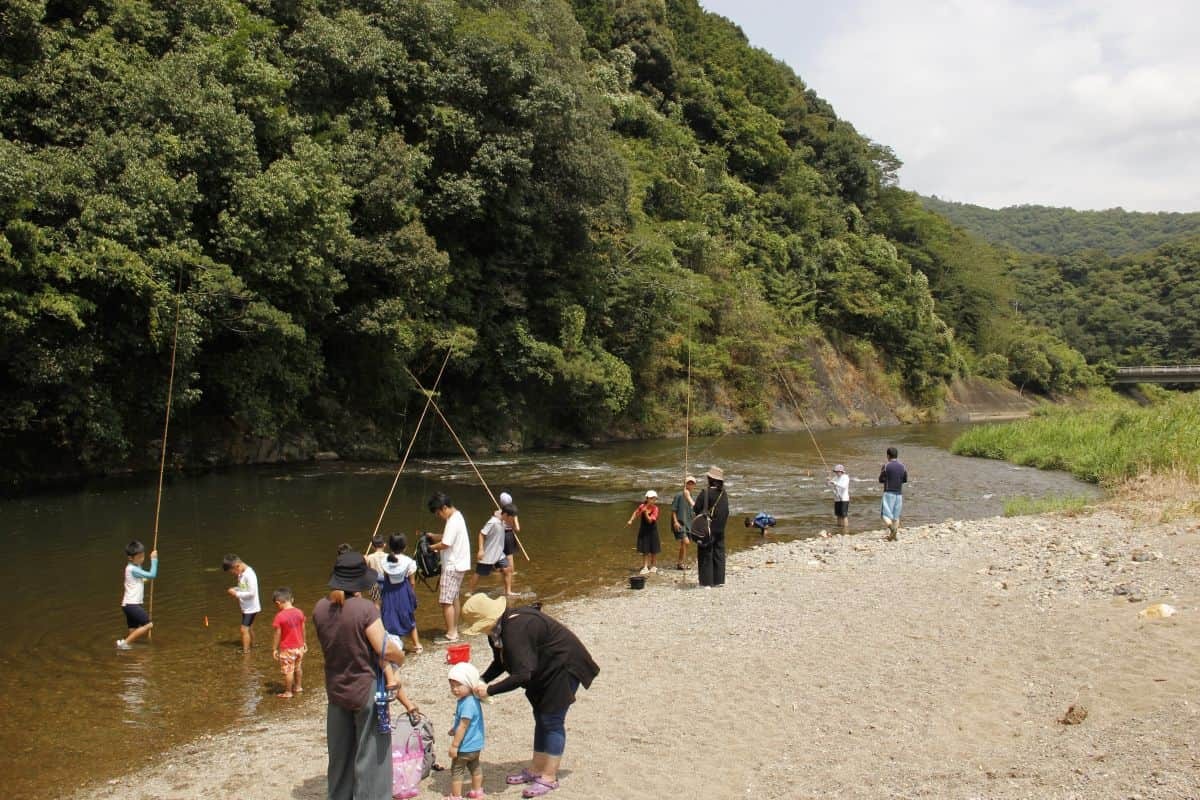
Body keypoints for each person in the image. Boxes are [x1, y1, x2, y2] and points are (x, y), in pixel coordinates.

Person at [460, 594, 599, 799]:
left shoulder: (516, 629)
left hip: (563, 667)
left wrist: (490, 690)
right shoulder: (497, 630)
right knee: (541, 717)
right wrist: (482, 679)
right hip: (542, 669)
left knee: (552, 720)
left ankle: (549, 777)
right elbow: (501, 662)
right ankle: (536, 769)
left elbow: (522, 674)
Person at [313, 551, 412, 800]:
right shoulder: (365, 609)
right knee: (373, 752)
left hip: (335, 688)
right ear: (359, 582)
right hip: (366, 688)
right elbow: (385, 648)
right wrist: (401, 657)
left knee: (341, 754)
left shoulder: (320, 609)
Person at [427, 492, 471, 644]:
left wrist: (430, 548)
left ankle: (451, 634)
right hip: (460, 564)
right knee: (454, 598)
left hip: (453, 565)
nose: (439, 515)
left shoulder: (452, 521)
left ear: (444, 507)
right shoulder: (458, 516)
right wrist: (434, 536)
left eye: (438, 512)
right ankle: (454, 629)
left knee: (446, 601)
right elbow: (448, 537)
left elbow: (446, 544)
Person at [446, 662, 487, 800]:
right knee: (475, 767)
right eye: (452, 686)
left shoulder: (467, 703)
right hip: (476, 745)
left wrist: (454, 746)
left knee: (457, 770)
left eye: (459, 685)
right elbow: (465, 723)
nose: (455, 689)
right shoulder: (473, 700)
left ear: (469, 684)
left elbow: (463, 726)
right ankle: (477, 791)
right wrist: (454, 728)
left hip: (464, 746)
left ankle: (456, 796)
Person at [380, 532, 422, 654]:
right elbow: (412, 582)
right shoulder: (409, 561)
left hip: (389, 592)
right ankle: (417, 645)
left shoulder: (385, 560)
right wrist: (411, 595)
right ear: (405, 547)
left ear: (390, 546)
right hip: (404, 591)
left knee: (389, 616)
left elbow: (386, 577)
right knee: (408, 616)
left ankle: (394, 646)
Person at [466, 503, 516, 596]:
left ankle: (508, 592)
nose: (511, 519)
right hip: (489, 553)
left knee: (508, 570)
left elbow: (501, 514)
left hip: (499, 553)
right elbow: (481, 534)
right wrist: (481, 550)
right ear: (505, 515)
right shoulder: (493, 522)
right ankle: (470, 591)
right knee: (479, 573)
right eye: (510, 517)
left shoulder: (502, 520)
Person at [693, 466, 730, 587]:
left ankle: (706, 582)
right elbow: (726, 511)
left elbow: (696, 508)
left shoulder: (706, 492)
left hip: (707, 529)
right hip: (720, 528)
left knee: (705, 554)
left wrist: (688, 497)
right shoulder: (723, 493)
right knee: (719, 552)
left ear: (711, 479)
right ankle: (719, 581)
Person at [117, 540, 159, 650]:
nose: (142, 559)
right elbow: (152, 575)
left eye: (143, 556)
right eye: (139, 557)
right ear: (131, 558)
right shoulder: (133, 569)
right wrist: (154, 560)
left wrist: (145, 580)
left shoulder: (133, 568)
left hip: (128, 604)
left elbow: (137, 581)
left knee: (133, 632)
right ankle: (123, 644)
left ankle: (130, 653)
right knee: (148, 624)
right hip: (132, 604)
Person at [271, 587, 307, 698]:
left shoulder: (280, 616)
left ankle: (288, 692)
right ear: (292, 599)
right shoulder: (299, 612)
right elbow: (303, 628)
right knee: (298, 667)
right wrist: (304, 642)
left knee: (288, 671)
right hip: (299, 647)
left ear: (278, 602)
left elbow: (277, 634)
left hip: (287, 648)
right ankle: (298, 687)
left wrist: (274, 648)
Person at [222, 554, 260, 653]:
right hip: (246, 606)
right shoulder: (241, 574)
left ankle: (246, 651)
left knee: (243, 629)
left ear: (237, 566)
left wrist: (236, 594)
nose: (234, 574)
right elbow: (243, 587)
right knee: (249, 627)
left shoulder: (249, 575)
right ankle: (254, 644)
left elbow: (252, 593)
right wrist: (235, 589)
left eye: (233, 571)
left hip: (251, 607)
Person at [626, 489, 661, 575]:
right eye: (651, 498)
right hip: (644, 530)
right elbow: (636, 512)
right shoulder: (642, 506)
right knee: (645, 549)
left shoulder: (656, 509)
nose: (653, 500)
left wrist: (645, 513)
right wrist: (631, 520)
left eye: (654, 499)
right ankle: (645, 566)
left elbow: (650, 521)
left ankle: (653, 566)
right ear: (647, 499)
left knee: (654, 549)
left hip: (653, 531)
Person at [879, 447, 908, 541]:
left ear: (888, 455)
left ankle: (892, 529)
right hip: (899, 494)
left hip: (888, 493)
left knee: (884, 515)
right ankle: (894, 536)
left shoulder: (886, 466)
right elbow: (905, 480)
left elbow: (880, 479)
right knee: (896, 516)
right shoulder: (903, 466)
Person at [670, 476, 696, 570]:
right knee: (686, 542)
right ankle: (681, 563)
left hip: (688, 523)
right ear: (685, 484)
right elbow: (673, 510)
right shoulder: (679, 495)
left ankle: (680, 563)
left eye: (692, 483)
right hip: (679, 523)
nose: (690, 485)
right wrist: (675, 521)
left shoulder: (691, 496)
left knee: (684, 544)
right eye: (689, 483)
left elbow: (691, 511)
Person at [499, 491, 520, 595]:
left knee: (500, 556)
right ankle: (511, 573)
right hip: (509, 536)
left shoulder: (498, 512)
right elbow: (517, 528)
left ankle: (504, 573)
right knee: (509, 556)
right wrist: (511, 526)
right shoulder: (513, 514)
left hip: (500, 536)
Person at [365, 534, 388, 604]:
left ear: (372, 546)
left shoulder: (369, 557)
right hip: (386, 582)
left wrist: (364, 560)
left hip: (374, 582)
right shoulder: (388, 556)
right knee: (386, 602)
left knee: (375, 603)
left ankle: (376, 615)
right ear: (384, 545)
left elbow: (365, 570)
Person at [827, 464, 851, 531]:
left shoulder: (846, 477)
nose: (836, 473)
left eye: (837, 471)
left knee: (844, 515)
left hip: (844, 499)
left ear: (842, 471)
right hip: (837, 499)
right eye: (835, 471)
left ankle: (846, 530)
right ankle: (839, 529)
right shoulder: (835, 478)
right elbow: (829, 485)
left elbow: (843, 486)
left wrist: (834, 483)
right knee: (838, 515)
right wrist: (828, 481)